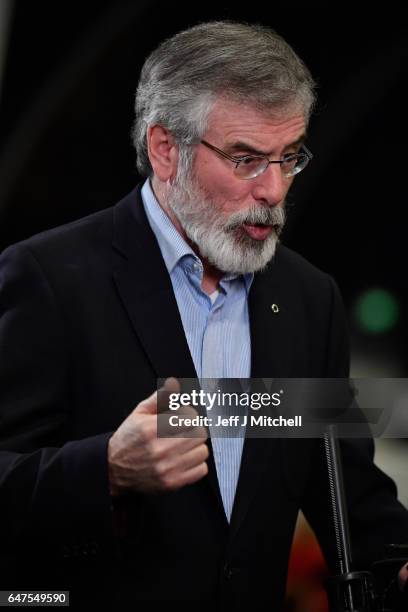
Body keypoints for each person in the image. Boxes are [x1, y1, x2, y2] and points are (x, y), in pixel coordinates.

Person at [0, 20, 407, 610]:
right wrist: (106, 469)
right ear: (167, 150)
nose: (272, 188)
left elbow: (349, 493)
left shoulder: (307, 299)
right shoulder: (49, 278)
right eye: (246, 159)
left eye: (289, 157)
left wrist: (397, 564)